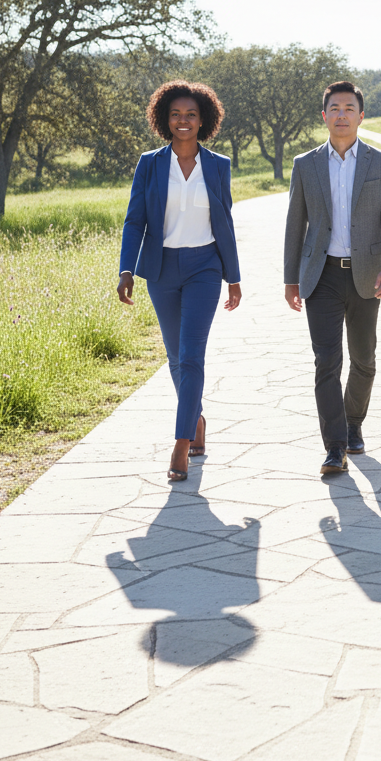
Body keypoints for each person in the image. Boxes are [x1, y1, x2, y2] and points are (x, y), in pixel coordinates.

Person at [118, 81, 242, 483]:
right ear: (163, 119)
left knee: (191, 357)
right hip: (162, 270)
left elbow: (224, 223)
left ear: (203, 119)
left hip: (205, 268)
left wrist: (233, 277)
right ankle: (198, 419)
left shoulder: (219, 166)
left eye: (190, 114)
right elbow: (135, 220)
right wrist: (126, 270)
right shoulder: (150, 164)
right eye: (175, 114)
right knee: (174, 358)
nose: (183, 120)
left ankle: (181, 444)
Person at [284, 81, 381, 475]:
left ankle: (354, 422)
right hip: (320, 277)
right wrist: (291, 279)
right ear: (325, 115)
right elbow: (294, 224)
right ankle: (334, 446)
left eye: (348, 108)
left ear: (361, 115)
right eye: (334, 108)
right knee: (326, 363)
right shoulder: (306, 165)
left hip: (367, 277)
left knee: (364, 360)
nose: (341, 114)